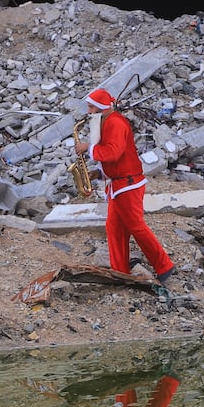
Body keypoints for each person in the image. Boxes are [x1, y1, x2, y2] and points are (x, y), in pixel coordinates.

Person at [74, 88, 176, 283]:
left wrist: (89, 148)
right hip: (118, 184)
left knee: (136, 227)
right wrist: (100, 172)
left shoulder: (115, 123)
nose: (88, 111)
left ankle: (164, 265)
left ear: (100, 108)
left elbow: (114, 152)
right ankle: (119, 271)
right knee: (115, 228)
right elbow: (115, 159)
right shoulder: (107, 122)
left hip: (128, 185)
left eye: (90, 107)